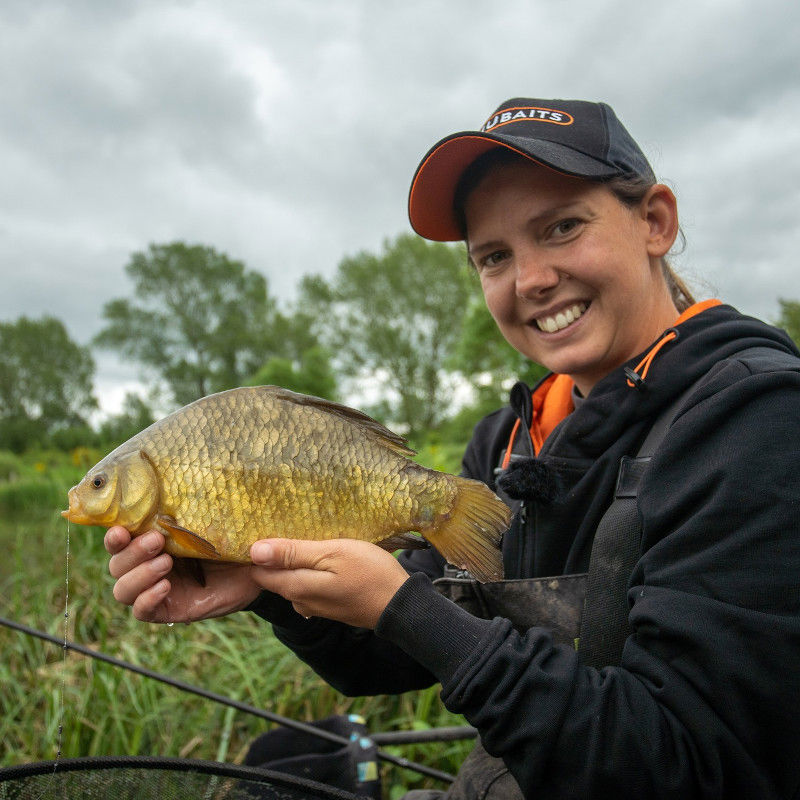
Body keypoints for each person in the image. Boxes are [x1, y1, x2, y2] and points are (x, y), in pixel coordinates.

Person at [104, 98, 800, 799]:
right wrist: (270, 588)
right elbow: (389, 660)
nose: (529, 279)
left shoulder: (759, 423)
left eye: (561, 227)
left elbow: (690, 769)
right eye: (494, 257)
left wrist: (404, 606)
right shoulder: (507, 445)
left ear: (655, 222)